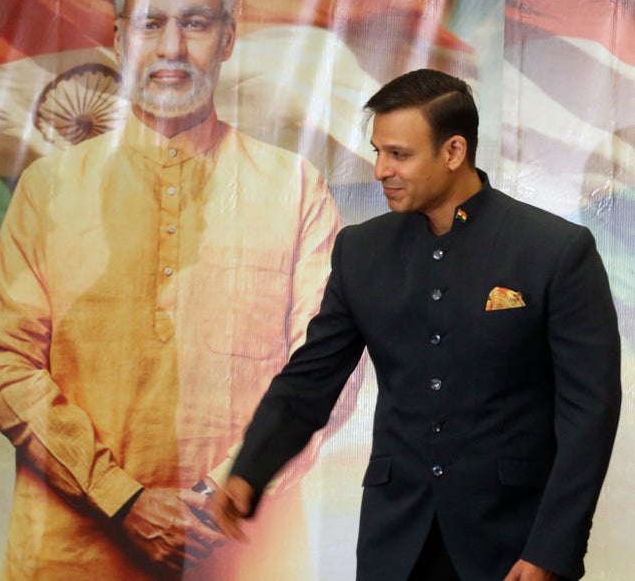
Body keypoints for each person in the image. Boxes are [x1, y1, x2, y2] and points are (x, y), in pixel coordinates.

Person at [0, 0, 355, 581]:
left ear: (229, 38)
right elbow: (6, 367)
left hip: (241, 553)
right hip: (72, 554)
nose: (173, 48)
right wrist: (121, 498)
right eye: (152, 23)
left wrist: (219, 495)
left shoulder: (293, 189)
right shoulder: (49, 189)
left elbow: (330, 369)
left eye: (196, 23)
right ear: (121, 37)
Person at [214, 69, 622, 581]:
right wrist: (251, 467)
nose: (380, 169)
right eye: (378, 151)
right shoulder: (361, 250)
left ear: (453, 152)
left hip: (511, 542)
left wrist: (552, 548)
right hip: (395, 539)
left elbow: (590, 413)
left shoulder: (555, 250)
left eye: (399, 154)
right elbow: (312, 377)